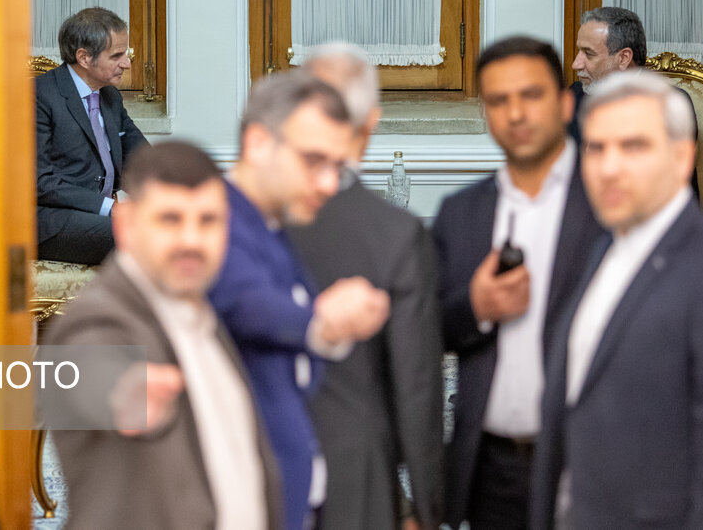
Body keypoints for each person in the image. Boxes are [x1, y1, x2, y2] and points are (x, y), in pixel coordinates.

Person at [530, 71, 703, 530]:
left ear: (682, 157)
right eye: (596, 148)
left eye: (634, 147)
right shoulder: (602, 250)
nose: (609, 167)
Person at [44, 142, 281, 529]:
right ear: (126, 225)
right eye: (170, 219)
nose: (191, 240)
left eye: (207, 221)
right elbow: (92, 361)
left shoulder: (204, 313)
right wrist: (124, 392)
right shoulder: (98, 318)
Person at [431, 37, 604, 530]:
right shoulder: (461, 213)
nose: (516, 113)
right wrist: (476, 306)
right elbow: (429, 327)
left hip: (588, 466)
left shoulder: (608, 207)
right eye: (498, 100)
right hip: (491, 471)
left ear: (566, 104)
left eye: (531, 95)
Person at [208, 71, 390, 530]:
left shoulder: (273, 225)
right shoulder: (213, 222)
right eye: (313, 160)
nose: (328, 183)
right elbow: (244, 300)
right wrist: (322, 321)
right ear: (258, 144)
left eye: (337, 167)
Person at [287, 43, 444, 530]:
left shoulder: (243, 220)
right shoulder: (395, 233)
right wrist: (426, 507)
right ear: (370, 122)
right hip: (356, 475)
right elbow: (416, 382)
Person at [36, 6, 150, 265]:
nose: (127, 63)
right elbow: (39, 182)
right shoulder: (39, 96)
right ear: (84, 57)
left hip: (98, 216)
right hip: (52, 220)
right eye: (117, 55)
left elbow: (142, 158)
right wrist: (111, 208)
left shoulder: (110, 96)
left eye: (126, 53)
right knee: (140, 235)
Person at [570, 6, 700, 198]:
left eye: (588, 54)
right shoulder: (576, 94)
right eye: (579, 52)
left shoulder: (669, 104)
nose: (576, 64)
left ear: (623, 58)